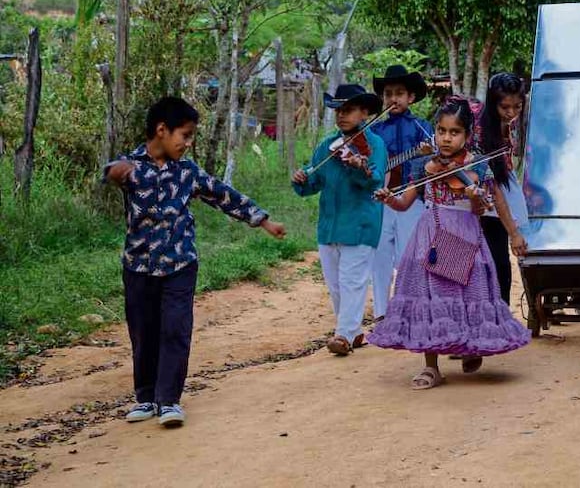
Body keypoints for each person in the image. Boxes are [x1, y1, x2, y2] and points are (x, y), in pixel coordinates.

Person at [103, 97, 286, 428]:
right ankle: (145, 398)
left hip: (180, 265)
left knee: (175, 328)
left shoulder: (187, 172)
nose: (187, 144)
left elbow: (223, 194)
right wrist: (113, 172)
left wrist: (262, 221)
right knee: (143, 332)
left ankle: (169, 400)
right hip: (138, 267)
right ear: (162, 130)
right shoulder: (132, 166)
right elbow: (112, 172)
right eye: (184, 136)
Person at [369, 99, 530, 389]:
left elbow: (494, 204)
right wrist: (388, 197)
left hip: (466, 235)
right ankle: (431, 367)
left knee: (470, 293)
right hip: (431, 233)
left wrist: (510, 230)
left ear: (467, 135)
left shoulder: (477, 166)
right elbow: (404, 202)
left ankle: (471, 346)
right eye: (441, 131)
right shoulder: (423, 165)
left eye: (454, 132)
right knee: (428, 296)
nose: (446, 138)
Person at [292, 84, 388, 356]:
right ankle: (355, 331)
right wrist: (302, 179)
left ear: (365, 112)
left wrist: (360, 168)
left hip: (360, 224)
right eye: (338, 110)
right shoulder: (327, 146)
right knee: (335, 286)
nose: (341, 115)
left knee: (352, 282)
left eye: (348, 110)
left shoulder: (374, 144)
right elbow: (314, 181)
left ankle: (343, 335)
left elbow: (375, 180)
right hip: (329, 226)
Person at [371, 65, 434, 321]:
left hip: (412, 199)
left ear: (411, 97)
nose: (393, 99)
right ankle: (381, 311)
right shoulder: (374, 130)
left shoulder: (422, 127)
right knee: (380, 254)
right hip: (380, 200)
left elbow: (435, 157)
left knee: (411, 254)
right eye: (388, 93)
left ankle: (412, 305)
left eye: (399, 93)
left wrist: (427, 152)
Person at [479, 72, 530, 304]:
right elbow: (494, 189)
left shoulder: (507, 126)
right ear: (493, 103)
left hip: (499, 198)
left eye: (517, 107)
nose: (511, 113)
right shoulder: (480, 132)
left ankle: (499, 318)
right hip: (483, 202)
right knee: (490, 263)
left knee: (499, 263)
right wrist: (514, 233)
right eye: (505, 107)